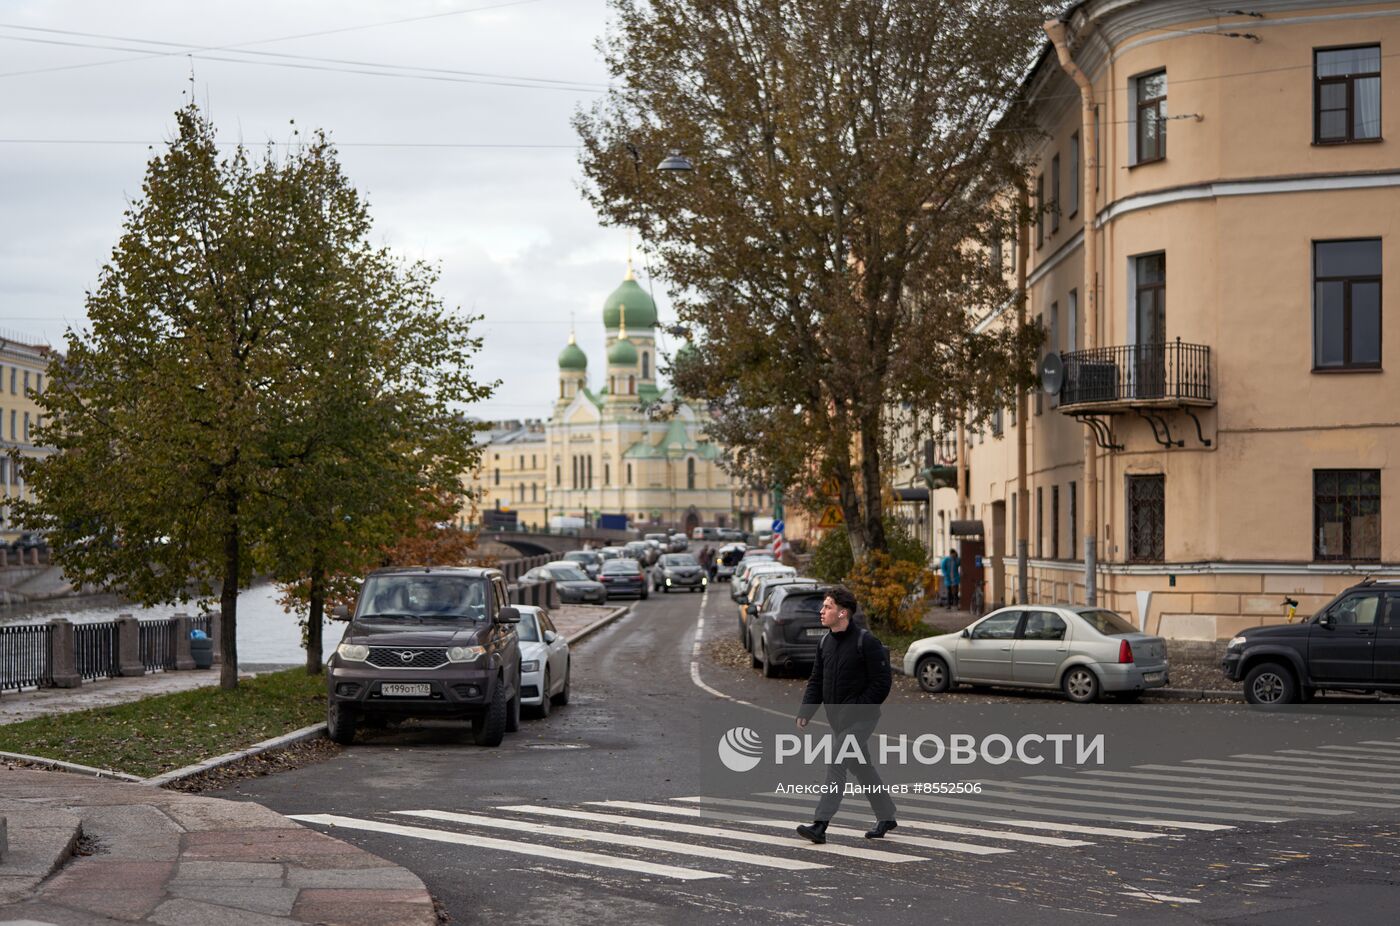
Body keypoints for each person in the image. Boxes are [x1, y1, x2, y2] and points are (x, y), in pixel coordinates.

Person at [794, 585, 896, 844]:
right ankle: (886, 816)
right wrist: (806, 711)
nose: (822, 611)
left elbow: (882, 682)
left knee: (836, 762)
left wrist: (860, 706)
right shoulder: (826, 642)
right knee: (863, 768)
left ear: (843, 613)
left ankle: (820, 825)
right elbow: (817, 680)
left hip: (861, 720)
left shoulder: (866, 641)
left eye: (827, 607)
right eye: (824, 606)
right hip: (838, 721)